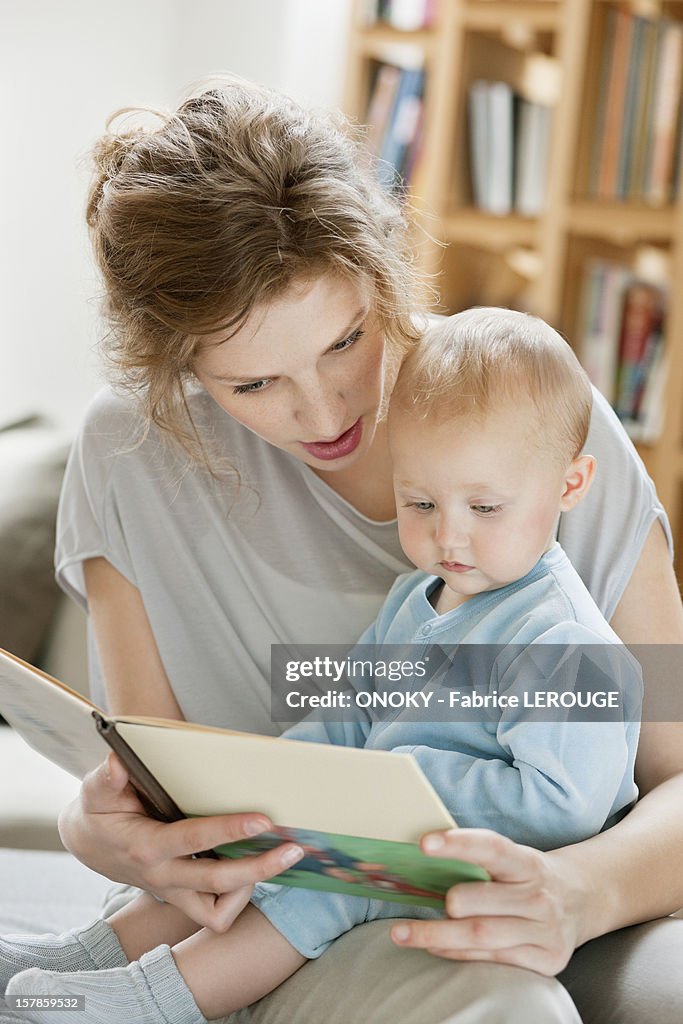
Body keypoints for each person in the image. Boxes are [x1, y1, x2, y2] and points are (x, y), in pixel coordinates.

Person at [2, 77, 682, 1024]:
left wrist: (581, 893)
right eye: (253, 384)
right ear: (177, 370)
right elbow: (150, 780)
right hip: (238, 915)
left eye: (345, 340)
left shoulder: (531, 422)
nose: (322, 415)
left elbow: (677, 776)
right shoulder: (131, 454)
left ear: (382, 268)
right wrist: (98, 831)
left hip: (487, 907)